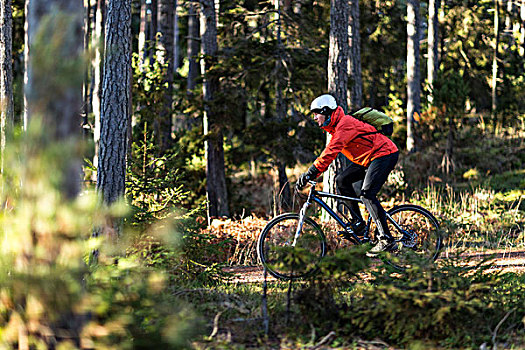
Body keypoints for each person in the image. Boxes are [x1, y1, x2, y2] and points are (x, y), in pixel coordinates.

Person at [296, 94, 399, 255]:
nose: (315, 118)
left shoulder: (345, 125)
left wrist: (311, 172)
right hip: (369, 158)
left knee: (367, 195)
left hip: (384, 154)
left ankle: (387, 239)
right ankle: (358, 223)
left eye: (317, 113)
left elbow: (331, 152)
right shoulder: (336, 128)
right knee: (342, 180)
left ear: (326, 110)